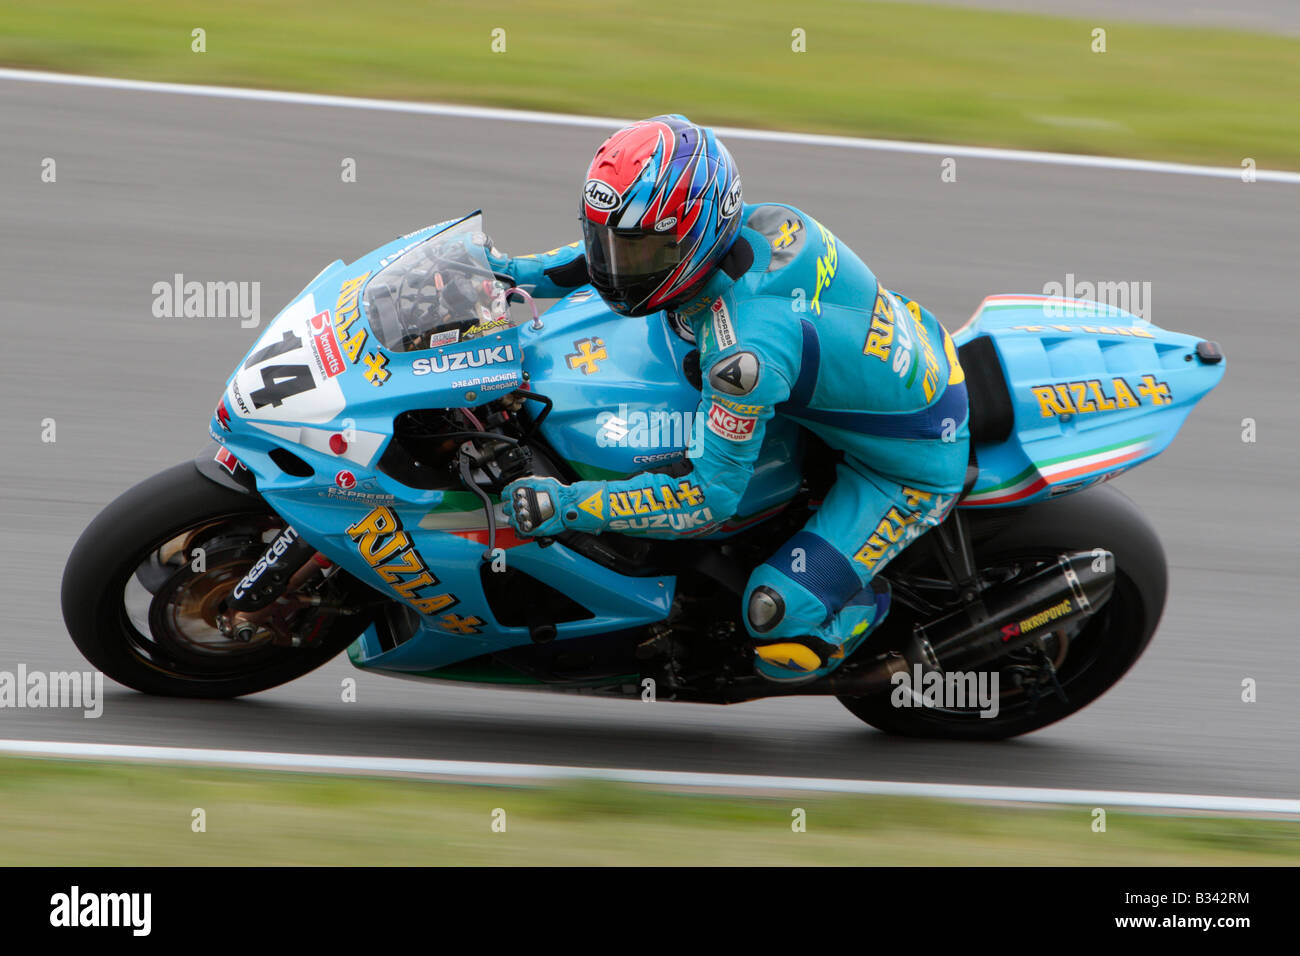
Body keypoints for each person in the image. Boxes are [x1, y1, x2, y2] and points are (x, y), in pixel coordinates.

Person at [494, 114, 970, 684]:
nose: (614, 270)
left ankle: (863, 617)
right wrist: (498, 273)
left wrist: (567, 506)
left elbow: (708, 497)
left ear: (695, 237)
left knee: (771, 615)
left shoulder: (743, 357)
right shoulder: (756, 225)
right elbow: (588, 261)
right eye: (608, 242)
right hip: (897, 348)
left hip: (906, 462)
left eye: (638, 254)